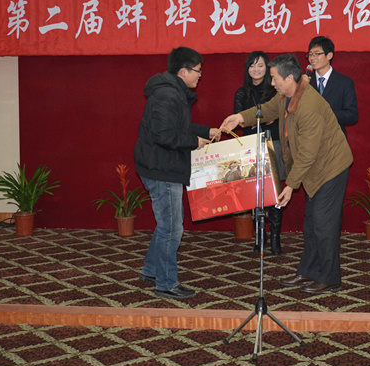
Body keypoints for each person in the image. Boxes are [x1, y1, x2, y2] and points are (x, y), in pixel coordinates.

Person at [222, 54, 353, 294]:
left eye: (274, 78)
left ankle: (329, 278)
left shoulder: (309, 106)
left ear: (290, 78)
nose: (272, 83)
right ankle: (308, 272)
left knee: (324, 224)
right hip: (314, 168)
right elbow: (268, 110)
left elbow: (307, 154)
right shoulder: (287, 95)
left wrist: (290, 186)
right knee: (312, 223)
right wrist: (240, 117)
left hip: (330, 168)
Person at [134, 47, 219, 300]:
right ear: (183, 71)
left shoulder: (172, 91)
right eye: (197, 71)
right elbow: (164, 134)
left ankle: (151, 270)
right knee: (172, 228)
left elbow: (177, 126)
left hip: (162, 165)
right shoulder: (167, 95)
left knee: (166, 224)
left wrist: (206, 130)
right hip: (162, 169)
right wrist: (195, 142)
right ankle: (166, 283)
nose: (200, 76)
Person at [233, 51, 286, 255]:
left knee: (275, 192)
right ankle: (260, 237)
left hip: (274, 144)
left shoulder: (275, 90)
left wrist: (263, 119)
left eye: (260, 65)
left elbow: (280, 116)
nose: (256, 69)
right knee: (255, 193)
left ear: (267, 68)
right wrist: (264, 119)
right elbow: (241, 121)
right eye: (252, 65)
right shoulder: (241, 93)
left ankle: (276, 238)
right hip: (251, 146)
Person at [307, 36, 358, 136]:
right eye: (310, 54)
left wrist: (326, 113)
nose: (312, 58)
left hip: (334, 139)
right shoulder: (305, 82)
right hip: (309, 138)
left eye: (317, 54)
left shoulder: (344, 82)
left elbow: (352, 116)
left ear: (329, 55)